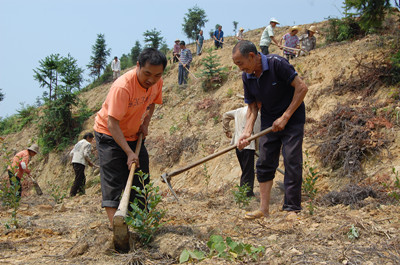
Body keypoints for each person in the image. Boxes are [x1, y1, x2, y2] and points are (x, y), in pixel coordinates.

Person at [232, 40, 308, 219]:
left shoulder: (276, 63)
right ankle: (264, 209)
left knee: (291, 160)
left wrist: (285, 117)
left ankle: (292, 208)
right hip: (269, 120)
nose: (239, 68)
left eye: (240, 63)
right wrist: (246, 133)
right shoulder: (247, 76)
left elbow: (302, 88)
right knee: (264, 162)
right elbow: (252, 108)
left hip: (292, 117)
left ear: (252, 56)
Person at [93, 48, 167, 226]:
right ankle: (117, 228)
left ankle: (140, 223)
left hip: (134, 133)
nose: (151, 79)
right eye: (147, 73)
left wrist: (145, 124)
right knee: (114, 179)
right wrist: (128, 152)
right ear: (138, 66)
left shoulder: (157, 83)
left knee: (141, 177)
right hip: (109, 134)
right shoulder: (123, 87)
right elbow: (112, 123)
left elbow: (152, 104)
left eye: (157, 75)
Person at [222, 106, 261, 197]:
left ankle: (245, 192)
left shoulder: (238, 111)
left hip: (237, 144)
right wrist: (257, 146)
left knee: (245, 170)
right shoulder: (257, 114)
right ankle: (246, 194)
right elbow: (258, 130)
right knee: (248, 171)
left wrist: (226, 130)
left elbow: (225, 115)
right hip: (248, 145)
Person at [69, 132, 95, 197]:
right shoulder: (87, 144)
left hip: (75, 161)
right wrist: (89, 162)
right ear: (88, 138)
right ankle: (72, 193)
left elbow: (71, 153)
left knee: (82, 177)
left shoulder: (78, 143)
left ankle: (81, 192)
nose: (91, 141)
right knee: (78, 178)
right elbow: (86, 154)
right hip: (80, 162)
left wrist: (73, 160)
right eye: (91, 139)